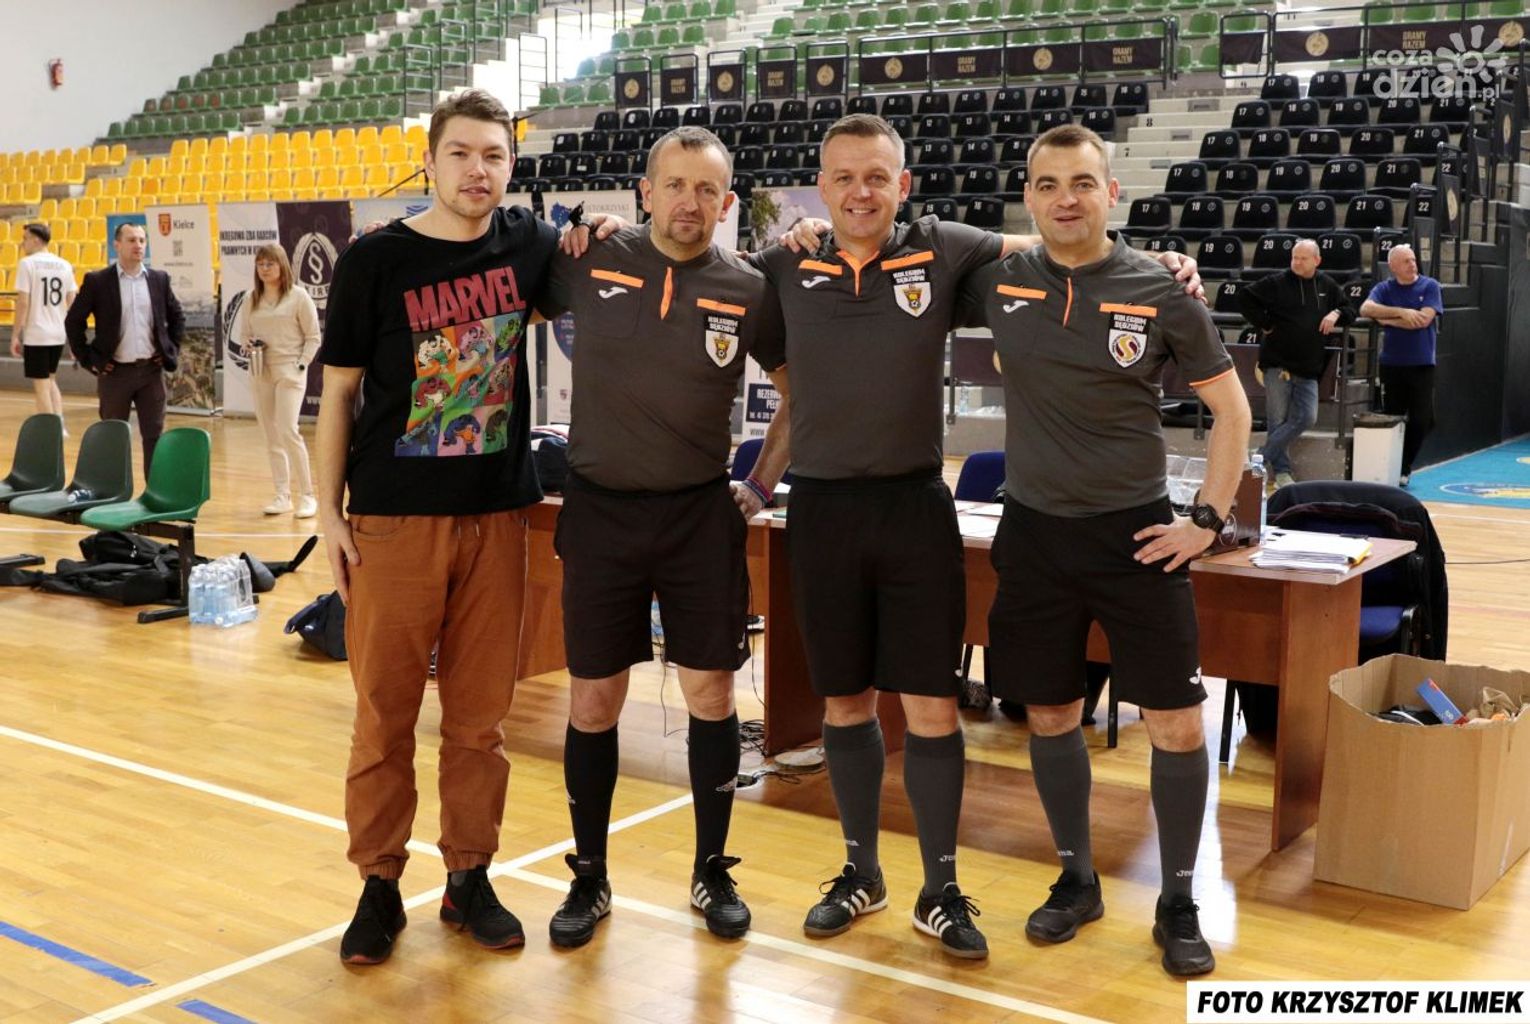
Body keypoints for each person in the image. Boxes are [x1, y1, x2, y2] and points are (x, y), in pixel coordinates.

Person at [751, 113, 1203, 961]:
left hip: (917, 510)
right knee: (845, 702)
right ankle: (860, 872)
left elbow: (1063, 241)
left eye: (877, 176)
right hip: (820, 512)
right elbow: (767, 359)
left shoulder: (946, 248)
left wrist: (1163, 264)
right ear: (821, 187)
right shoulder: (781, 265)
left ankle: (941, 889)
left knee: (930, 705)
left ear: (903, 184)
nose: (860, 192)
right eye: (843, 177)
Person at [957, 124, 1251, 977]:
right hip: (1034, 534)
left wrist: (1206, 520)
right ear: (1028, 197)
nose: (1066, 199)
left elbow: (1232, 412)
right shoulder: (1001, 280)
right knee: (1050, 713)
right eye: (1048, 185)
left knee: (1175, 722)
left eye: (1083, 183)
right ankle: (1077, 879)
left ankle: (1179, 899)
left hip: (1137, 538)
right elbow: (900, 247)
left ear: (1111, 193)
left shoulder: (1160, 288)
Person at [316, 89, 558, 966]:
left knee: (480, 721)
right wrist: (329, 514)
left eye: (494, 155)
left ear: (511, 165)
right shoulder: (374, 260)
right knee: (384, 717)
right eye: (461, 153)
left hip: (496, 519)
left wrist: (601, 233)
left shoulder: (530, 245)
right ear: (429, 161)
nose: (477, 171)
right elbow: (338, 394)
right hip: (392, 522)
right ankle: (379, 884)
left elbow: (595, 270)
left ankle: (468, 876)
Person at [535, 126, 791, 948]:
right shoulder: (589, 258)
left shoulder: (748, 287)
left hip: (697, 518)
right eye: (675, 185)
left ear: (728, 201)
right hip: (600, 512)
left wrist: (758, 487)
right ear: (645, 193)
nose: (690, 202)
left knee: (711, 696)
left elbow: (801, 396)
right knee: (593, 700)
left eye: (707, 189)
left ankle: (712, 869)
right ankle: (590, 875)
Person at [64, 222, 184, 478]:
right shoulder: (98, 281)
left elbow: (177, 317)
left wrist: (170, 349)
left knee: (154, 435)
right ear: (116, 245)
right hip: (114, 373)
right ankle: (114, 489)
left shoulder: (159, 279)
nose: (138, 245)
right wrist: (88, 358)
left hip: (151, 373)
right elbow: (73, 321)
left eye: (141, 240)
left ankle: (154, 491)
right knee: (112, 435)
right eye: (131, 240)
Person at [1236, 238, 1355, 490]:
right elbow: (1244, 297)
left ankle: (1259, 456)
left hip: (1309, 367)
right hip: (1277, 364)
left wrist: (1336, 313)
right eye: (1294, 257)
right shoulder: (1277, 282)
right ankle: (1281, 473)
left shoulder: (1327, 285)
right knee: (1277, 421)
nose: (1297, 262)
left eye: (1303, 258)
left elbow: (1350, 310)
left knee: (1307, 417)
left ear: (1317, 260)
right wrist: (1264, 323)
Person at [231, 244, 322, 518]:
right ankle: (282, 495)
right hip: (261, 370)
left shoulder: (299, 296)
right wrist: (249, 345)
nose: (264, 269)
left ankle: (307, 495)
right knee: (271, 435)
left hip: (290, 370)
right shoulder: (251, 298)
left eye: (269, 263)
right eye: (260, 264)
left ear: (282, 265)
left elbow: (313, 337)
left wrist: (301, 363)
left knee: (288, 430)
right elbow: (244, 335)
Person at [1359, 244, 1442, 486]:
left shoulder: (1430, 286)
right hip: (1392, 364)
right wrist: (1402, 312)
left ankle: (1404, 465)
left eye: (1413, 260)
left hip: (1422, 363)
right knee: (1393, 416)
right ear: (1393, 266)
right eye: (1406, 261)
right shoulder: (1384, 288)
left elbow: (1422, 320)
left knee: (1422, 419)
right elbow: (1365, 308)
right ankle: (1393, 469)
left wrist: (1387, 320)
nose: (1412, 264)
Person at [10, 223, 75, 419]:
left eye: (25, 238)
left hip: (37, 333)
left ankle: (50, 429)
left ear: (36, 240)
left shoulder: (27, 264)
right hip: (58, 332)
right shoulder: (64, 264)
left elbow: (23, 302)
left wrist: (15, 335)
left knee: (41, 385)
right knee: (50, 380)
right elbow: (72, 301)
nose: (22, 243)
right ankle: (59, 424)